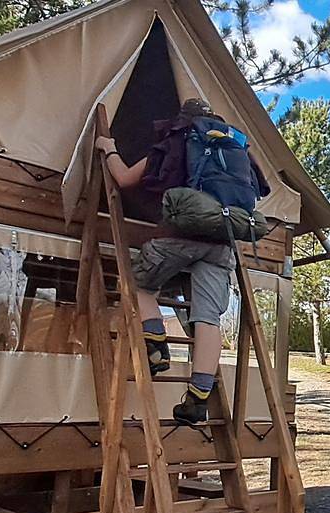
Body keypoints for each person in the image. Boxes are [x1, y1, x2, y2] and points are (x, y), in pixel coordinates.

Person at [95, 98, 268, 424]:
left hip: (178, 236)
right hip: (221, 244)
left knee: (136, 283)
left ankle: (156, 342)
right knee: (208, 319)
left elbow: (124, 179)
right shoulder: (236, 147)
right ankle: (199, 395)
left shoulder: (178, 140)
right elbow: (260, 189)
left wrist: (109, 147)